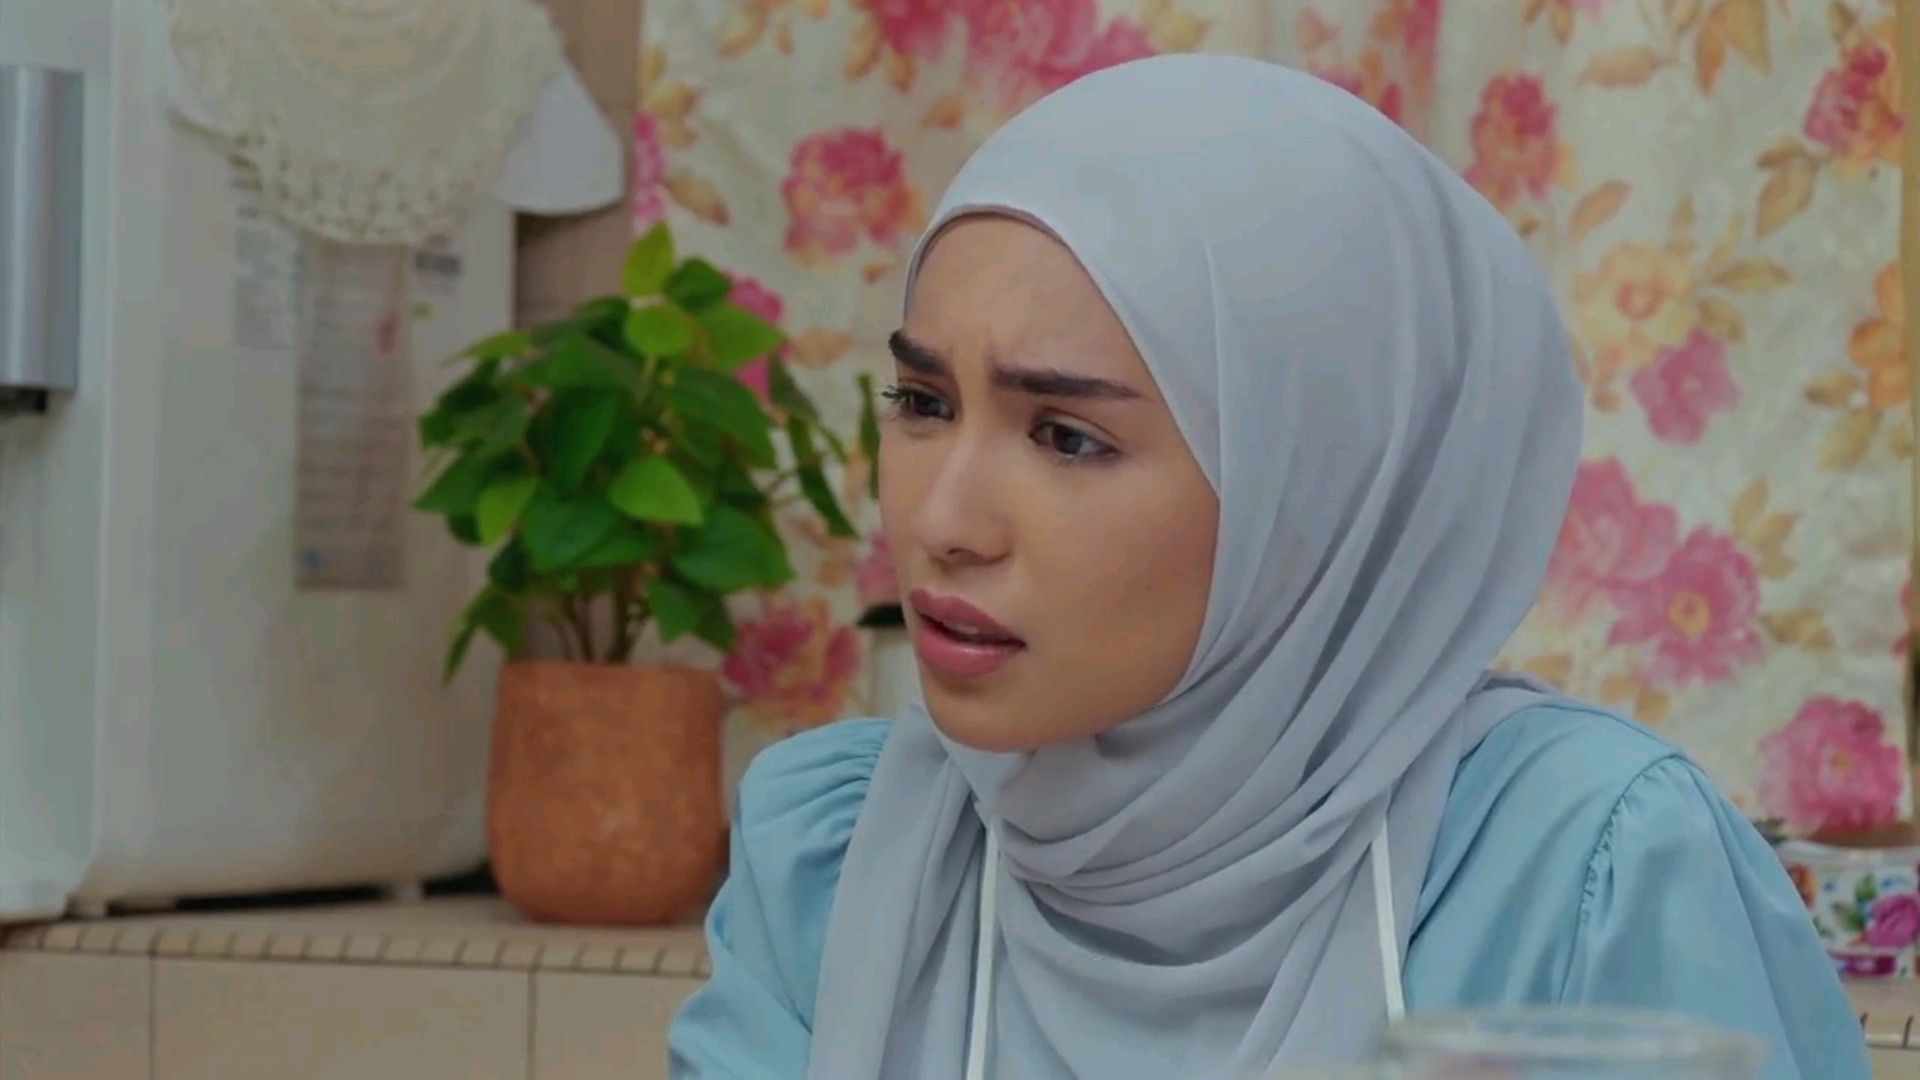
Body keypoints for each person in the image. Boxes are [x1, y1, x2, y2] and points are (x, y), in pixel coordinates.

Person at [667, 54, 1867, 1080]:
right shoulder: (840, 856)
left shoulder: (1587, 867)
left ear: (1312, 494)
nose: (942, 518)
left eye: (1067, 437)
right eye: (923, 403)